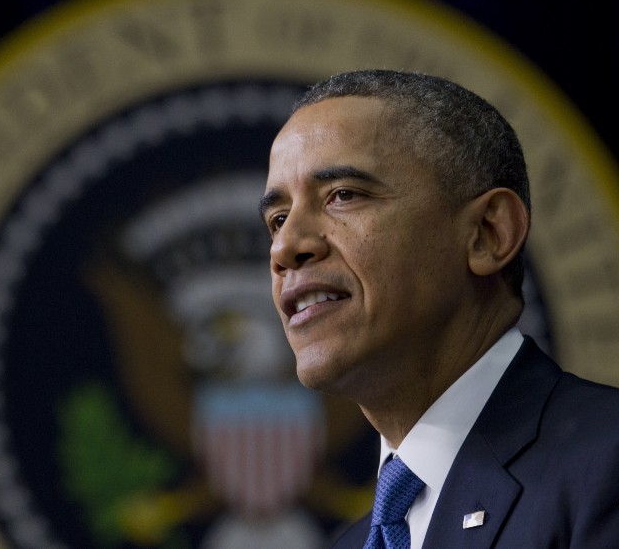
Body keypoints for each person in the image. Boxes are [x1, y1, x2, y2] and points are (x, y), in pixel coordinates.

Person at [258, 69, 619, 548]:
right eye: (278, 218)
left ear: (488, 234)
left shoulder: (606, 464)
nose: (285, 247)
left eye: (343, 195)